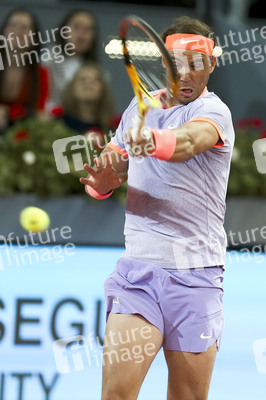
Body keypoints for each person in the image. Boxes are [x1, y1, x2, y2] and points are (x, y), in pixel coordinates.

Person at [80, 16, 235, 400]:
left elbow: (186, 142)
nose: (185, 73)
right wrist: (102, 182)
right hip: (140, 274)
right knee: (116, 395)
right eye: (175, 63)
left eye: (196, 63)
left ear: (211, 64)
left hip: (197, 277)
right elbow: (111, 167)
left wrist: (151, 140)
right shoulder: (139, 108)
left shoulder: (216, 114)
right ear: (163, 63)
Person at [0, 8, 49, 134]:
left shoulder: (41, 73)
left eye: (24, 28)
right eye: (12, 26)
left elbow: (40, 114)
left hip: (22, 135)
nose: (17, 32)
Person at [45, 9, 99, 109]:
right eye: (76, 27)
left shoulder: (97, 71)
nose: (81, 35)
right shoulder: (46, 60)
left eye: (87, 29)